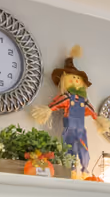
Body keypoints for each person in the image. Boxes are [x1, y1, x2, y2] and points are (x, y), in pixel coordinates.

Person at [35, 46, 101, 176]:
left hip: (81, 131)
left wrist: (99, 119)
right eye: (73, 78)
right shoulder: (66, 97)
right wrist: (47, 110)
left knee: (84, 150)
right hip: (69, 130)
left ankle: (84, 170)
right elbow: (55, 104)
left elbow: (92, 112)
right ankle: (70, 171)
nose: (76, 80)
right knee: (69, 150)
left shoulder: (84, 101)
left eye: (78, 79)